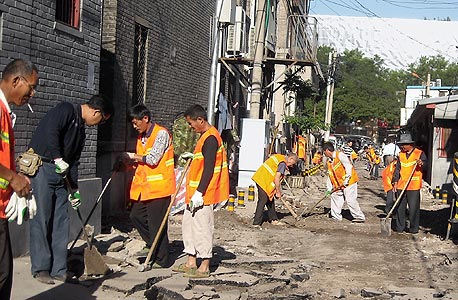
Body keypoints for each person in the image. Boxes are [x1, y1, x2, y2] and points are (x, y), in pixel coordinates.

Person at [28, 94, 113, 284]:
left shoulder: (81, 131)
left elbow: (74, 162)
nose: (98, 124)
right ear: (96, 112)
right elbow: (51, 131)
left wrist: (74, 189)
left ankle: (59, 269)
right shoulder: (66, 110)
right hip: (44, 167)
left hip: (62, 174)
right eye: (101, 120)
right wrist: (57, 158)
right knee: (42, 218)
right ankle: (41, 268)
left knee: (61, 221)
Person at [172, 104, 229, 278]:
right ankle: (191, 262)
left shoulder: (211, 138)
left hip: (204, 193)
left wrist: (200, 192)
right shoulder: (204, 137)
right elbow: (203, 161)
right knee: (189, 226)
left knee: (202, 227)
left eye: (191, 123)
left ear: (200, 120)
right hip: (194, 193)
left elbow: (209, 169)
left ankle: (204, 265)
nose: (190, 127)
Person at [0, 59, 37, 299]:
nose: (32, 94)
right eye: (31, 87)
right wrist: (12, 178)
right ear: (16, 80)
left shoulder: (5, 112)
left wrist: (15, 178)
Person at [125, 104, 176, 268]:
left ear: (145, 118)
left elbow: (153, 159)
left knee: (156, 223)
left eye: (136, 123)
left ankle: (162, 259)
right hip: (145, 188)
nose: (134, 126)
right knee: (136, 216)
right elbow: (142, 162)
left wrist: (132, 156)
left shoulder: (161, 134)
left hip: (159, 187)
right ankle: (152, 245)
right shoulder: (142, 137)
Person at [391, 133, 426, 234]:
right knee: (400, 208)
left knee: (413, 209)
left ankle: (413, 229)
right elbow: (397, 169)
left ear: (410, 144)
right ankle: (400, 227)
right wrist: (395, 182)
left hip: (413, 185)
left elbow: (426, 166)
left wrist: (421, 163)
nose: (402, 146)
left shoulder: (419, 153)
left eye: (404, 144)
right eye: (401, 145)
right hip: (401, 185)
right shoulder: (400, 155)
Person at [252, 152, 298, 227]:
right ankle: (256, 223)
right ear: (290, 159)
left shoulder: (279, 157)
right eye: (291, 164)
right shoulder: (282, 164)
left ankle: (274, 219)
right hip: (263, 181)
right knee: (263, 200)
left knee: (270, 200)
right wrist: (278, 192)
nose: (291, 166)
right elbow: (277, 178)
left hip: (262, 178)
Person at [323, 142, 365, 222]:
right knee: (335, 196)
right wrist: (329, 188)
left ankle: (359, 216)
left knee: (350, 199)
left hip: (349, 182)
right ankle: (336, 216)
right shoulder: (329, 162)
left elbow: (348, 166)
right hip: (339, 184)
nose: (324, 154)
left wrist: (347, 179)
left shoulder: (340, 155)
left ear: (327, 150)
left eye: (324, 152)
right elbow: (330, 175)